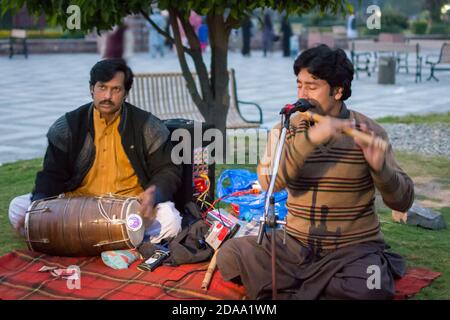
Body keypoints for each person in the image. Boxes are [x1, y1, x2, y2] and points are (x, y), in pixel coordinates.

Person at [217, 44, 414, 300]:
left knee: (372, 287)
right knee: (230, 255)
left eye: (312, 86)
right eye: (299, 85)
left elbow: (403, 200)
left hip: (353, 250)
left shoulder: (369, 131)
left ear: (338, 91)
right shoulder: (286, 128)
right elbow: (269, 183)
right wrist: (309, 140)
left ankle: (300, 288)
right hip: (296, 247)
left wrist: (382, 169)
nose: (302, 93)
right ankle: (320, 287)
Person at [8, 59, 183, 245]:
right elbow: (52, 174)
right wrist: (37, 205)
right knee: (18, 207)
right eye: (102, 87)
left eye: (116, 89)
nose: (107, 95)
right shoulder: (68, 125)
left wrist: (152, 194)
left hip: (129, 207)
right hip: (77, 207)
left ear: (126, 93)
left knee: (171, 221)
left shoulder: (148, 126)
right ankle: (127, 240)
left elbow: (168, 170)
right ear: (92, 88)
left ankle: (90, 237)